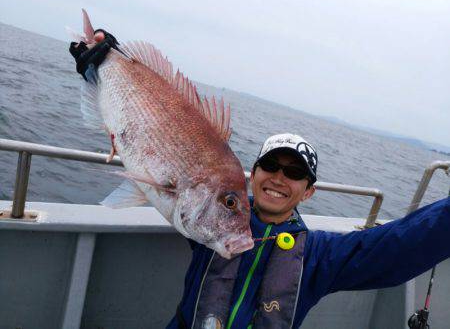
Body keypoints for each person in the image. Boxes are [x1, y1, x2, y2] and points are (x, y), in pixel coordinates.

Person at [70, 34, 450, 329]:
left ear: (309, 190)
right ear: (252, 175)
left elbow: (399, 246)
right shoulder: (210, 227)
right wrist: (100, 64)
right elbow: (157, 123)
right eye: (272, 166)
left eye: (296, 173)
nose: (280, 178)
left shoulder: (318, 256)